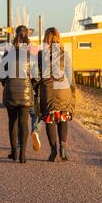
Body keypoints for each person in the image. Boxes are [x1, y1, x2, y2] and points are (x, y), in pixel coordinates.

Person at [0, 26, 39, 164]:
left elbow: (1, 73)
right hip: (26, 92)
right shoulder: (31, 55)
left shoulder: (8, 53)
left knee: (12, 122)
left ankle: (14, 151)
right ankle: (22, 154)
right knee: (24, 123)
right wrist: (31, 85)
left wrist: (6, 83)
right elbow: (37, 76)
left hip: (11, 91)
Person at [38, 28, 76, 162]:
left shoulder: (40, 55)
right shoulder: (65, 55)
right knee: (63, 118)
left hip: (48, 91)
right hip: (63, 89)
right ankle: (63, 146)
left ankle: (53, 149)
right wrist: (73, 94)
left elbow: (37, 76)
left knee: (50, 120)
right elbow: (70, 78)